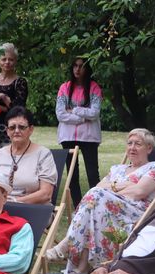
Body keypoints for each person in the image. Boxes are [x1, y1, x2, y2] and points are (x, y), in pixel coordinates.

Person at [46, 128, 155, 274]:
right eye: (130, 143)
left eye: (138, 144)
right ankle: (82, 269)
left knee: (97, 198)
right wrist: (125, 186)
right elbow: (98, 187)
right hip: (105, 215)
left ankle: (67, 243)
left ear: (149, 148)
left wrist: (110, 189)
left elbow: (139, 192)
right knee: (96, 209)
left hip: (133, 217)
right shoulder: (117, 169)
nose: (132, 147)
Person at [0, 107, 57, 217]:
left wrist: (14, 202)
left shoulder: (43, 154)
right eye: (12, 127)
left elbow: (46, 194)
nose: (16, 131)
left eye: (21, 127)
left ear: (31, 129)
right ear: (7, 131)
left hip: (33, 208)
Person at [56, 57, 103, 207]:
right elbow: (60, 114)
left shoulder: (94, 88)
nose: (77, 69)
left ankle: (96, 205)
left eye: (81, 66)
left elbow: (94, 113)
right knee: (72, 175)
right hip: (68, 136)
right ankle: (78, 207)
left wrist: (75, 110)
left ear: (87, 68)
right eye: (75, 65)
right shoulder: (65, 87)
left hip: (89, 137)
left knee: (92, 174)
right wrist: (83, 118)